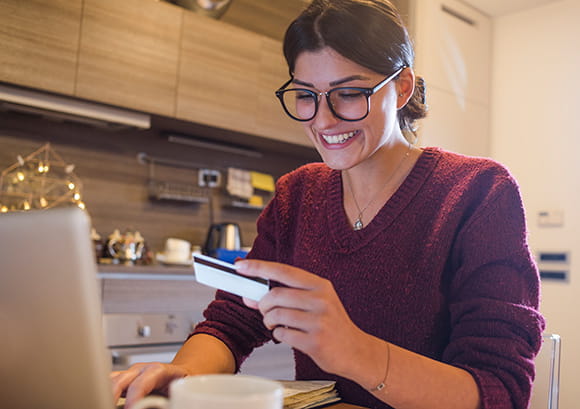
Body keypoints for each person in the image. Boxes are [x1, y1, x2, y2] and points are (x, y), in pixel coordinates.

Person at [111, 1, 545, 408]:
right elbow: (233, 320)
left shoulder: (478, 192)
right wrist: (182, 374)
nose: (323, 119)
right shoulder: (297, 196)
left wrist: (353, 351)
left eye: (348, 93)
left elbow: (499, 391)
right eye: (306, 95)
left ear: (402, 86)